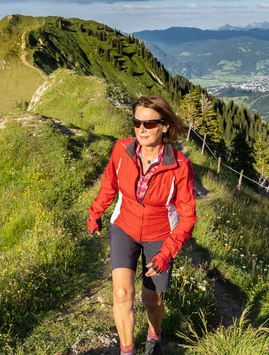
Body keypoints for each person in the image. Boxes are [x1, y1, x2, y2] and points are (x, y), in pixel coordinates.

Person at [86, 95, 198, 355]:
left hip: (160, 236)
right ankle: (127, 351)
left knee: (152, 299)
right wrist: (96, 212)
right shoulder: (122, 150)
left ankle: (154, 336)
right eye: (137, 123)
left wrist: (167, 253)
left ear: (165, 125)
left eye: (149, 124)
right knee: (122, 292)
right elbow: (109, 185)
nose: (142, 129)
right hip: (124, 227)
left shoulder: (180, 166)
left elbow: (188, 217)